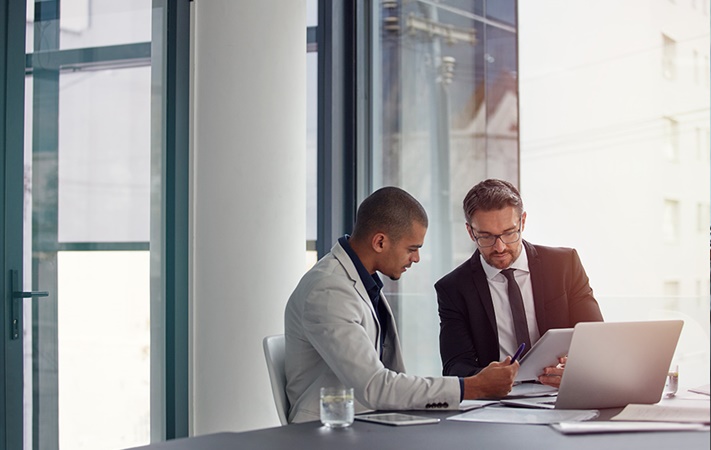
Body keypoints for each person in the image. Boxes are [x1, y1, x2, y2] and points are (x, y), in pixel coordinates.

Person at [284, 186, 518, 424]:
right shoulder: (328, 290)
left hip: (368, 423)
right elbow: (375, 386)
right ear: (380, 242)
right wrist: (472, 387)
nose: (416, 258)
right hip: (327, 432)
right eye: (412, 249)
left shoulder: (362, 282)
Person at [435, 179, 603, 387]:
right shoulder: (453, 288)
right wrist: (486, 378)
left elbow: (597, 341)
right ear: (471, 232)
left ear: (522, 222)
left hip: (562, 392)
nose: (500, 247)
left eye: (509, 233)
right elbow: (455, 366)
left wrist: (576, 369)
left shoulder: (564, 265)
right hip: (498, 401)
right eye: (486, 237)